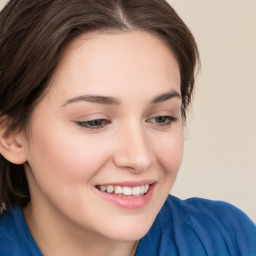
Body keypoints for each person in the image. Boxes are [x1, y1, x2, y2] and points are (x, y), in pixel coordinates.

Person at [0, 0, 255, 255]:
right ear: (11, 136)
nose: (140, 157)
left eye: (161, 118)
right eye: (95, 121)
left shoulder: (227, 239)